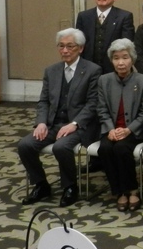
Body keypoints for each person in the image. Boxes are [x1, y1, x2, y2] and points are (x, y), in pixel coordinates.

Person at [18, 28, 101, 207]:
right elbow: (44, 101)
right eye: (61, 46)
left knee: (61, 147)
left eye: (70, 46)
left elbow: (93, 104)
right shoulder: (51, 71)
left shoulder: (93, 70)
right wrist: (40, 122)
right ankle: (41, 184)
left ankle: (70, 186)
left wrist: (74, 124)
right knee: (25, 145)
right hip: (53, 123)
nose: (65, 51)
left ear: (80, 48)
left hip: (80, 125)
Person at [96, 38, 143, 211]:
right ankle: (119, 191)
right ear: (111, 60)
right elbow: (101, 109)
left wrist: (128, 130)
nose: (121, 62)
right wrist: (111, 130)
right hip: (111, 130)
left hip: (134, 131)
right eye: (116, 58)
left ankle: (133, 190)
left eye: (125, 57)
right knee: (104, 148)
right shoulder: (104, 80)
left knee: (121, 149)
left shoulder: (142, 81)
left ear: (132, 59)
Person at [76, 0, 135, 74]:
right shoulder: (84, 16)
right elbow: (78, 45)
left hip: (114, 70)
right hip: (87, 70)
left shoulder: (124, 17)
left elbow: (127, 46)